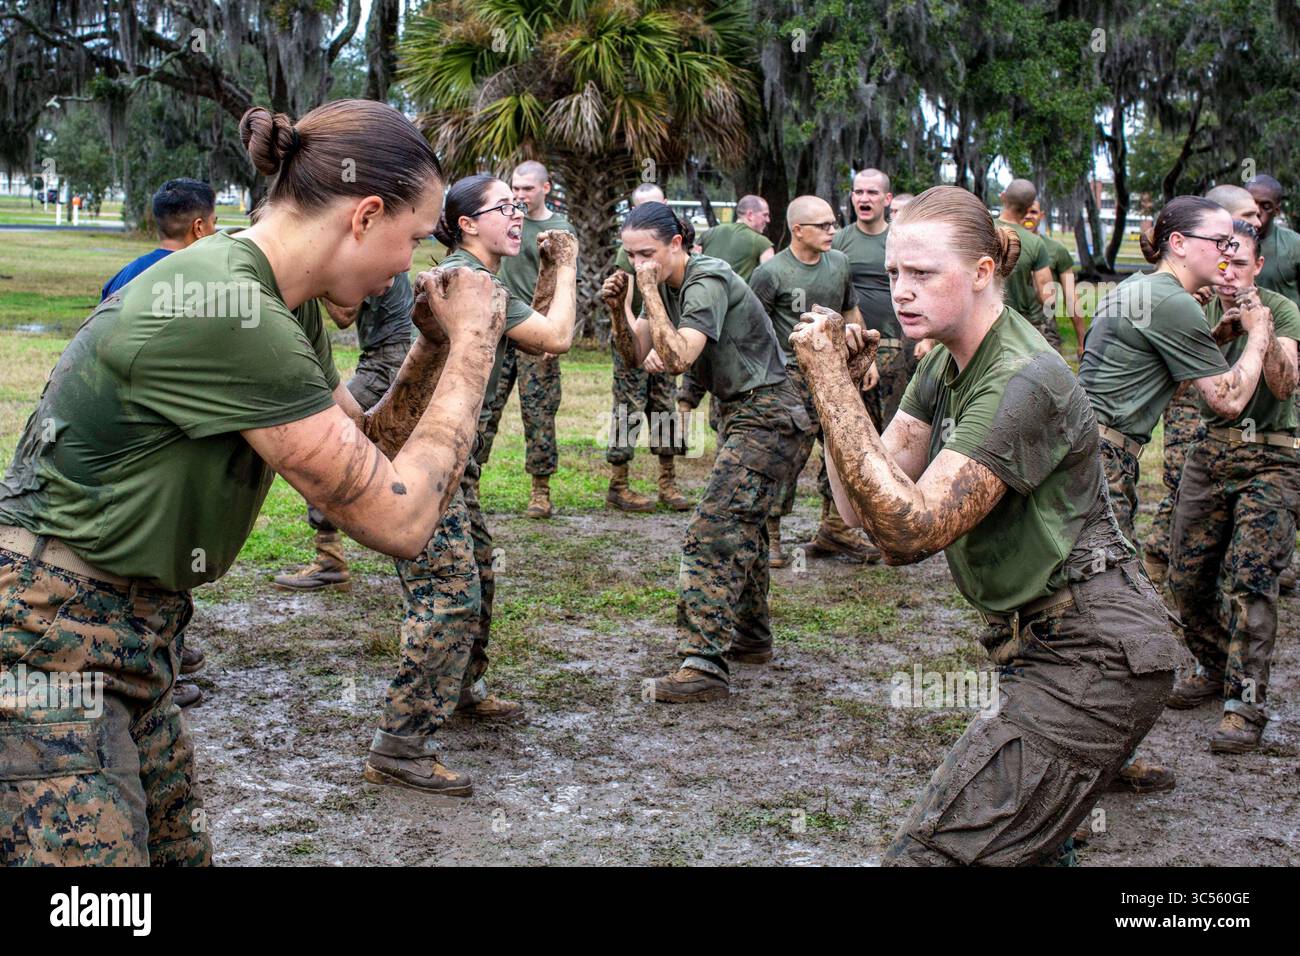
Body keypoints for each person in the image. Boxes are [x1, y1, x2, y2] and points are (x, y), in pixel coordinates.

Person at [0, 99, 504, 864]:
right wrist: (474, 345)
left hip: (131, 638)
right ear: (365, 216)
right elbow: (397, 521)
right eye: (411, 238)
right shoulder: (233, 311)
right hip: (49, 645)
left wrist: (432, 353)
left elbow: (363, 450)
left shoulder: (271, 301)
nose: (411, 266)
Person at [792, 185, 1185, 866]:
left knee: (931, 855)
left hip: (1095, 656)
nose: (902, 291)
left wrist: (828, 382)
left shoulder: (1020, 379)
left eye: (922, 274)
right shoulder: (947, 360)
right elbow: (861, 510)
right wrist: (846, 400)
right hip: (1037, 644)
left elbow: (911, 533)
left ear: (980, 274)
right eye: (892, 275)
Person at [362, 174, 579, 794]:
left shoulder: (483, 277)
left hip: (453, 468)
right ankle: (400, 744)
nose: (517, 216)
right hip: (420, 466)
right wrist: (566, 266)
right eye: (502, 208)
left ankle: (461, 689)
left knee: (478, 573)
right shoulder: (467, 280)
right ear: (464, 224)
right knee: (448, 596)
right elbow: (556, 338)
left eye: (519, 205)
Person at [1078, 195, 1274, 794]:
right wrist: (1260, 336)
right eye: (1218, 241)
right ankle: (1085, 762)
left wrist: (1212, 333)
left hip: (1091, 455)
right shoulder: (1171, 303)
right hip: (1101, 466)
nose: (1228, 252)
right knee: (1115, 616)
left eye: (1235, 244)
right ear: (1178, 243)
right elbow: (1228, 400)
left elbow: (1171, 363)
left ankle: (1102, 753)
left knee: (1100, 611)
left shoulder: (1144, 291)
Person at [601, 202, 808, 698]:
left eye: (647, 254)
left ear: (677, 244)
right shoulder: (667, 286)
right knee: (744, 529)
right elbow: (636, 355)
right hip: (744, 414)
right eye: (630, 256)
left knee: (712, 530)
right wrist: (619, 310)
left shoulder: (706, 277)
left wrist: (645, 290)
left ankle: (703, 664)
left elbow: (675, 357)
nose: (638, 265)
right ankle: (751, 638)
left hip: (770, 414)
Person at [1166, 219, 1299, 753]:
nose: (1229, 274)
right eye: (1221, 263)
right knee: (1185, 573)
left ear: (1258, 266)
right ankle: (1214, 664)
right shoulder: (1193, 308)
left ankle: (1244, 704)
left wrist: (1258, 328)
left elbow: (1284, 383)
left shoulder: (1283, 309)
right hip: (1211, 450)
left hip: (1273, 456)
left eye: (1239, 264)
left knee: (1251, 577)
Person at [1142, 185, 1261, 586]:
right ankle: (1161, 559)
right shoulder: (1186, 294)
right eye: (1249, 213)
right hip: (1193, 405)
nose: (1257, 219)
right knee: (1183, 483)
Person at [272, 276, 415, 592]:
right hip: (397, 358)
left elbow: (343, 316)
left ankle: (329, 561)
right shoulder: (384, 250)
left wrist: (316, 278)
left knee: (321, 444)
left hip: (386, 362)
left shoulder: (372, 254)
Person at [751, 195, 866, 568]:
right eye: (824, 225)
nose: (833, 230)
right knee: (785, 460)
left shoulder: (840, 263)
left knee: (842, 454)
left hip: (835, 376)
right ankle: (770, 535)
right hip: (790, 378)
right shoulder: (772, 273)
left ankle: (835, 528)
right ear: (798, 230)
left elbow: (850, 310)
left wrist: (864, 353)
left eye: (834, 223)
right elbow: (754, 328)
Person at [477, 161, 577, 518]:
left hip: (537, 330)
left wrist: (553, 333)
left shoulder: (558, 229)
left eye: (527, 189)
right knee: (483, 410)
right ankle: (469, 480)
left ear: (545, 188)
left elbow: (565, 284)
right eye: (515, 189)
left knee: (539, 414)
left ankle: (540, 490)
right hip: (501, 330)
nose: (520, 195)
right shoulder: (505, 222)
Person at [605, 182, 690, 513]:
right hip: (635, 340)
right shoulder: (628, 252)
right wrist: (645, 348)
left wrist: (666, 342)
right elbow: (625, 304)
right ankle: (619, 484)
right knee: (627, 410)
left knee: (664, 408)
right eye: (638, 209)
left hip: (665, 338)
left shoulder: (675, 249)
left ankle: (667, 482)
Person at [101, 178, 218, 300]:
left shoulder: (120, 280)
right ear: (198, 228)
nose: (215, 231)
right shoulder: (212, 284)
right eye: (213, 222)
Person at [996, 179, 1056, 347]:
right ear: (1029, 206)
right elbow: (1047, 296)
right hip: (1019, 327)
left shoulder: (981, 230)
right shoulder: (1035, 243)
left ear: (1003, 197)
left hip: (979, 322)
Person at [1024, 200, 1085, 360]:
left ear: (1042, 215)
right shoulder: (1003, 243)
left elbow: (1071, 297)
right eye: (1024, 211)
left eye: (1033, 212)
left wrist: (1082, 342)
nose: (1028, 216)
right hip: (1008, 327)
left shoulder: (1056, 250)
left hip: (1044, 330)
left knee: (1052, 381)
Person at [1247, 175, 1300, 307]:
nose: (1257, 211)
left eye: (1266, 206)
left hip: (1284, 325)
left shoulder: (1294, 245)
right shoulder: (1226, 243)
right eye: (1252, 203)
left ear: (1276, 210)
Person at [695, 195, 774, 280]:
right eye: (765, 215)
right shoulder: (762, 243)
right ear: (750, 215)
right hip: (739, 293)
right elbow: (770, 280)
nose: (768, 220)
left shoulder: (709, 233)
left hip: (704, 292)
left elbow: (690, 264)